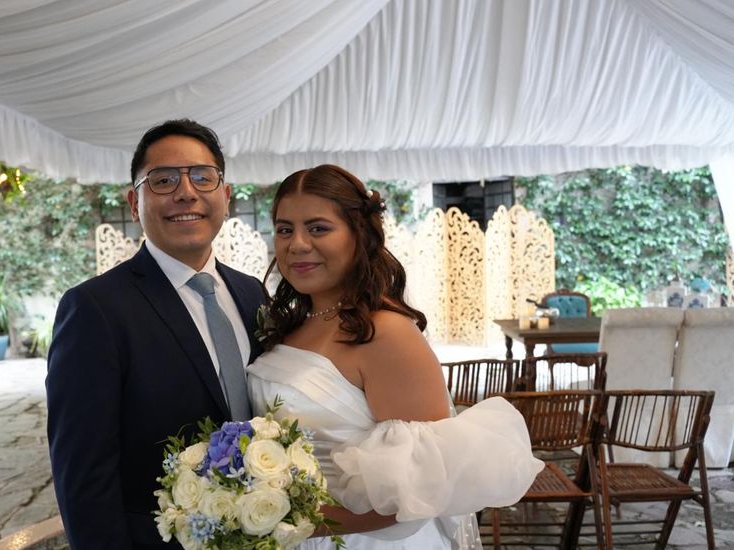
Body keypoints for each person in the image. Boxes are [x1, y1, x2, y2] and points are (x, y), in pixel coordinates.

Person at [247, 165, 542, 549]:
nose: (297, 244)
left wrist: (287, 519)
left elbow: (420, 488)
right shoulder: (291, 325)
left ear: (359, 235)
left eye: (318, 228)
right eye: (285, 229)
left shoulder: (385, 333)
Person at [46, 119, 267, 549]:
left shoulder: (250, 292)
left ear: (225, 194)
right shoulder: (95, 309)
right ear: (134, 202)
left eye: (203, 176)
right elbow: (83, 478)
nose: (186, 192)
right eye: (163, 180)